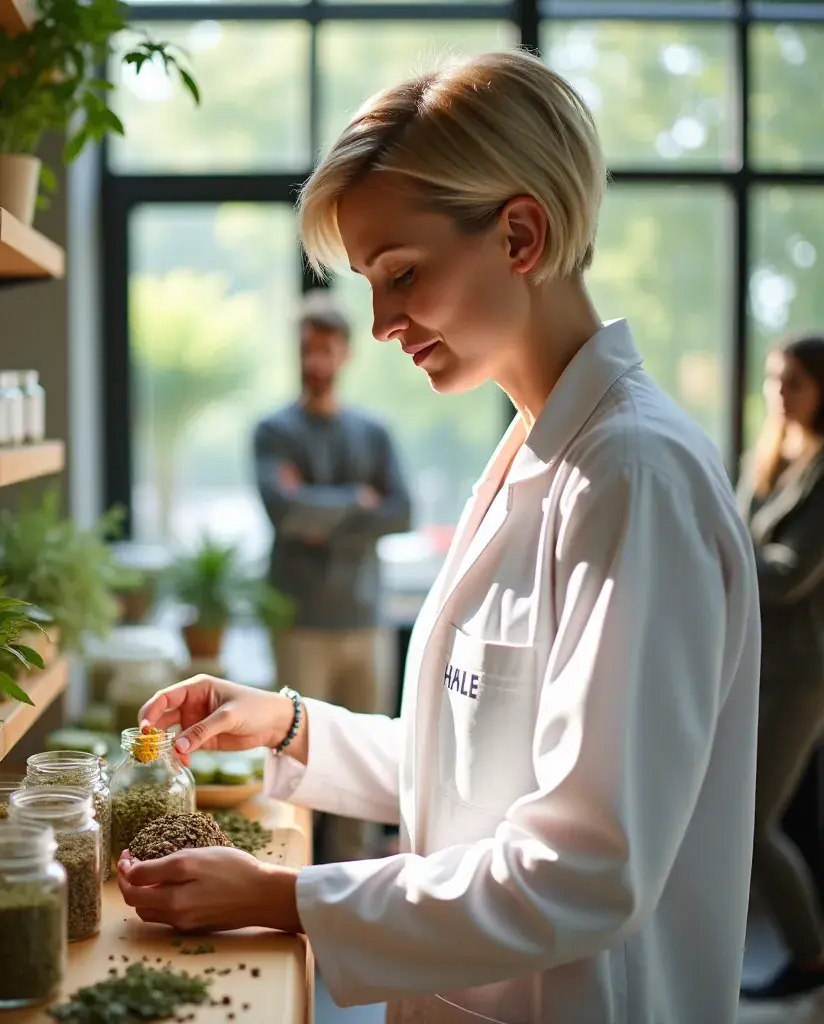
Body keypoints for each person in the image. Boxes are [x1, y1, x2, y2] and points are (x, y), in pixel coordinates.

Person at [117, 50, 761, 1024]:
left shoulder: (631, 479)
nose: (380, 323)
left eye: (400, 274)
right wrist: (293, 725)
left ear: (518, 234)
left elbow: (583, 868)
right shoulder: (538, 451)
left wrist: (285, 898)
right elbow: (472, 766)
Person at [253, 289, 412, 862]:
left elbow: (402, 512)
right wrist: (357, 502)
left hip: (364, 618)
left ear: (346, 353)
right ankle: (293, 891)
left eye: (326, 349)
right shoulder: (273, 432)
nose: (315, 361)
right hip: (298, 621)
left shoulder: (374, 434)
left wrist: (318, 512)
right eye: (306, 349)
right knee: (296, 763)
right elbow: (282, 511)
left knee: (366, 769)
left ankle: (357, 892)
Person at [736, 332, 824, 1001]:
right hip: (755, 662)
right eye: (773, 378)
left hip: (801, 672)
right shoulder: (771, 460)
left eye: (793, 380)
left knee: (755, 820)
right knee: (742, 814)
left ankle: (811, 954)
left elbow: (788, 576)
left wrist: (723, 557)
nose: (778, 392)